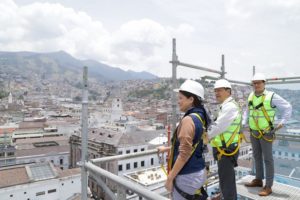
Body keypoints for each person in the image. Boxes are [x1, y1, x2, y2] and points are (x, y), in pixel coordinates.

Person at [158, 79, 211, 200]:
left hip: (187, 175)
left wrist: (170, 179)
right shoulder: (201, 116)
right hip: (198, 171)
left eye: (181, 98)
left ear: (191, 99)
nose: (178, 101)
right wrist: (169, 148)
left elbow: (185, 153)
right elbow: (194, 143)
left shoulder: (188, 120)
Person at [243, 73, 292, 196]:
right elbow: (247, 112)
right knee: (257, 156)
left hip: (266, 133)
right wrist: (244, 123)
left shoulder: (271, 96)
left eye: (259, 82)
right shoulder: (251, 96)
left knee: (268, 159)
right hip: (254, 132)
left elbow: (287, 107)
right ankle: (258, 180)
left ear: (264, 83)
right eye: (254, 83)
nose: (256, 85)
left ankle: (268, 186)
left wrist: (282, 122)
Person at [208, 79, 242, 200]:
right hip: (225, 148)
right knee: (226, 180)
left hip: (226, 150)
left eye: (220, 90)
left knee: (227, 184)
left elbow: (217, 127)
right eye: (215, 91)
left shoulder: (230, 107)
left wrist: (203, 137)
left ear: (228, 91)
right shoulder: (226, 106)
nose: (217, 93)